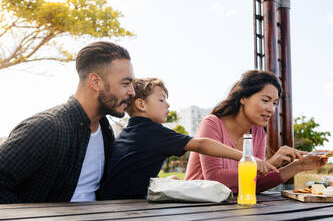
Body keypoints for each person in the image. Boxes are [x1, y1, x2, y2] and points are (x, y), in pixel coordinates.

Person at [0, 41, 135, 203]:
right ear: (96, 82)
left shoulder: (105, 131)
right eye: (126, 84)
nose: (132, 92)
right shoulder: (46, 127)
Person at [98, 78, 277, 200]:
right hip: (123, 206)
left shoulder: (132, 131)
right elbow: (200, 144)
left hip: (110, 199)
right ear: (141, 104)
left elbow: (133, 170)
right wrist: (244, 157)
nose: (168, 104)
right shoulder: (151, 131)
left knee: (174, 179)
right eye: (161, 100)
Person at [185, 70, 325, 193]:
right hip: (198, 206)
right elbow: (214, 179)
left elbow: (255, 182)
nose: (271, 109)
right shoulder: (211, 124)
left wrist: (298, 166)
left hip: (232, 207)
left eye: (275, 103)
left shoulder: (258, 133)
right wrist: (271, 163)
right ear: (243, 98)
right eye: (265, 100)